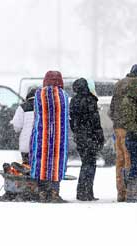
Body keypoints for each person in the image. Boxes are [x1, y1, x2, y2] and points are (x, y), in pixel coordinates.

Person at [108, 64, 137, 202]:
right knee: (130, 159)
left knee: (120, 161)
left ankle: (121, 192)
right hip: (130, 127)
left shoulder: (119, 84)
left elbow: (112, 108)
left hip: (117, 126)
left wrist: (116, 120)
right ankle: (133, 191)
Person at [29, 71, 69, 203]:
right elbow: (64, 116)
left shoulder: (39, 94)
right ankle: (54, 192)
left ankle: (42, 191)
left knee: (41, 160)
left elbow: (37, 115)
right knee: (56, 161)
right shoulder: (63, 95)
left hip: (42, 134)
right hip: (58, 136)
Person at [70, 78, 104, 201]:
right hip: (90, 136)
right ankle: (87, 192)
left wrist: (77, 132)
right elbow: (95, 121)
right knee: (90, 165)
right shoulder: (90, 100)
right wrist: (100, 137)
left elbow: (72, 122)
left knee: (85, 163)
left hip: (79, 137)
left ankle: (81, 192)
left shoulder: (73, 100)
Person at [11, 87, 37, 163]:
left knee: (26, 168)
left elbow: (17, 126)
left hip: (26, 145)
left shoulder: (23, 107)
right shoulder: (45, 107)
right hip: (41, 144)